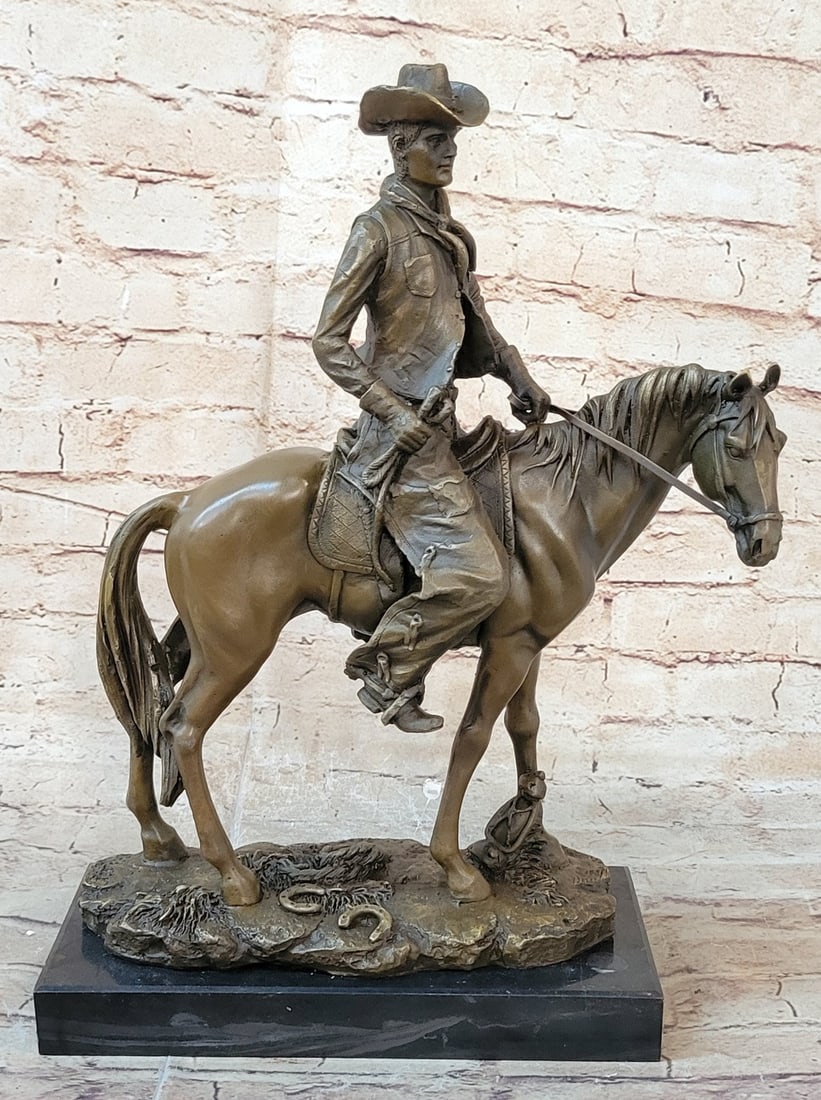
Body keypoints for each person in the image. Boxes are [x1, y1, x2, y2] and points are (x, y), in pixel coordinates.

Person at [313, 64, 550, 733]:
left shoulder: (450, 237)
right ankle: (384, 665)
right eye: (432, 138)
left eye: (451, 139)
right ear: (398, 147)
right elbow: (328, 342)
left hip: (444, 425)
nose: (447, 151)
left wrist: (518, 377)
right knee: (480, 577)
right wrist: (390, 412)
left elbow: (479, 324)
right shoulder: (376, 231)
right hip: (403, 439)